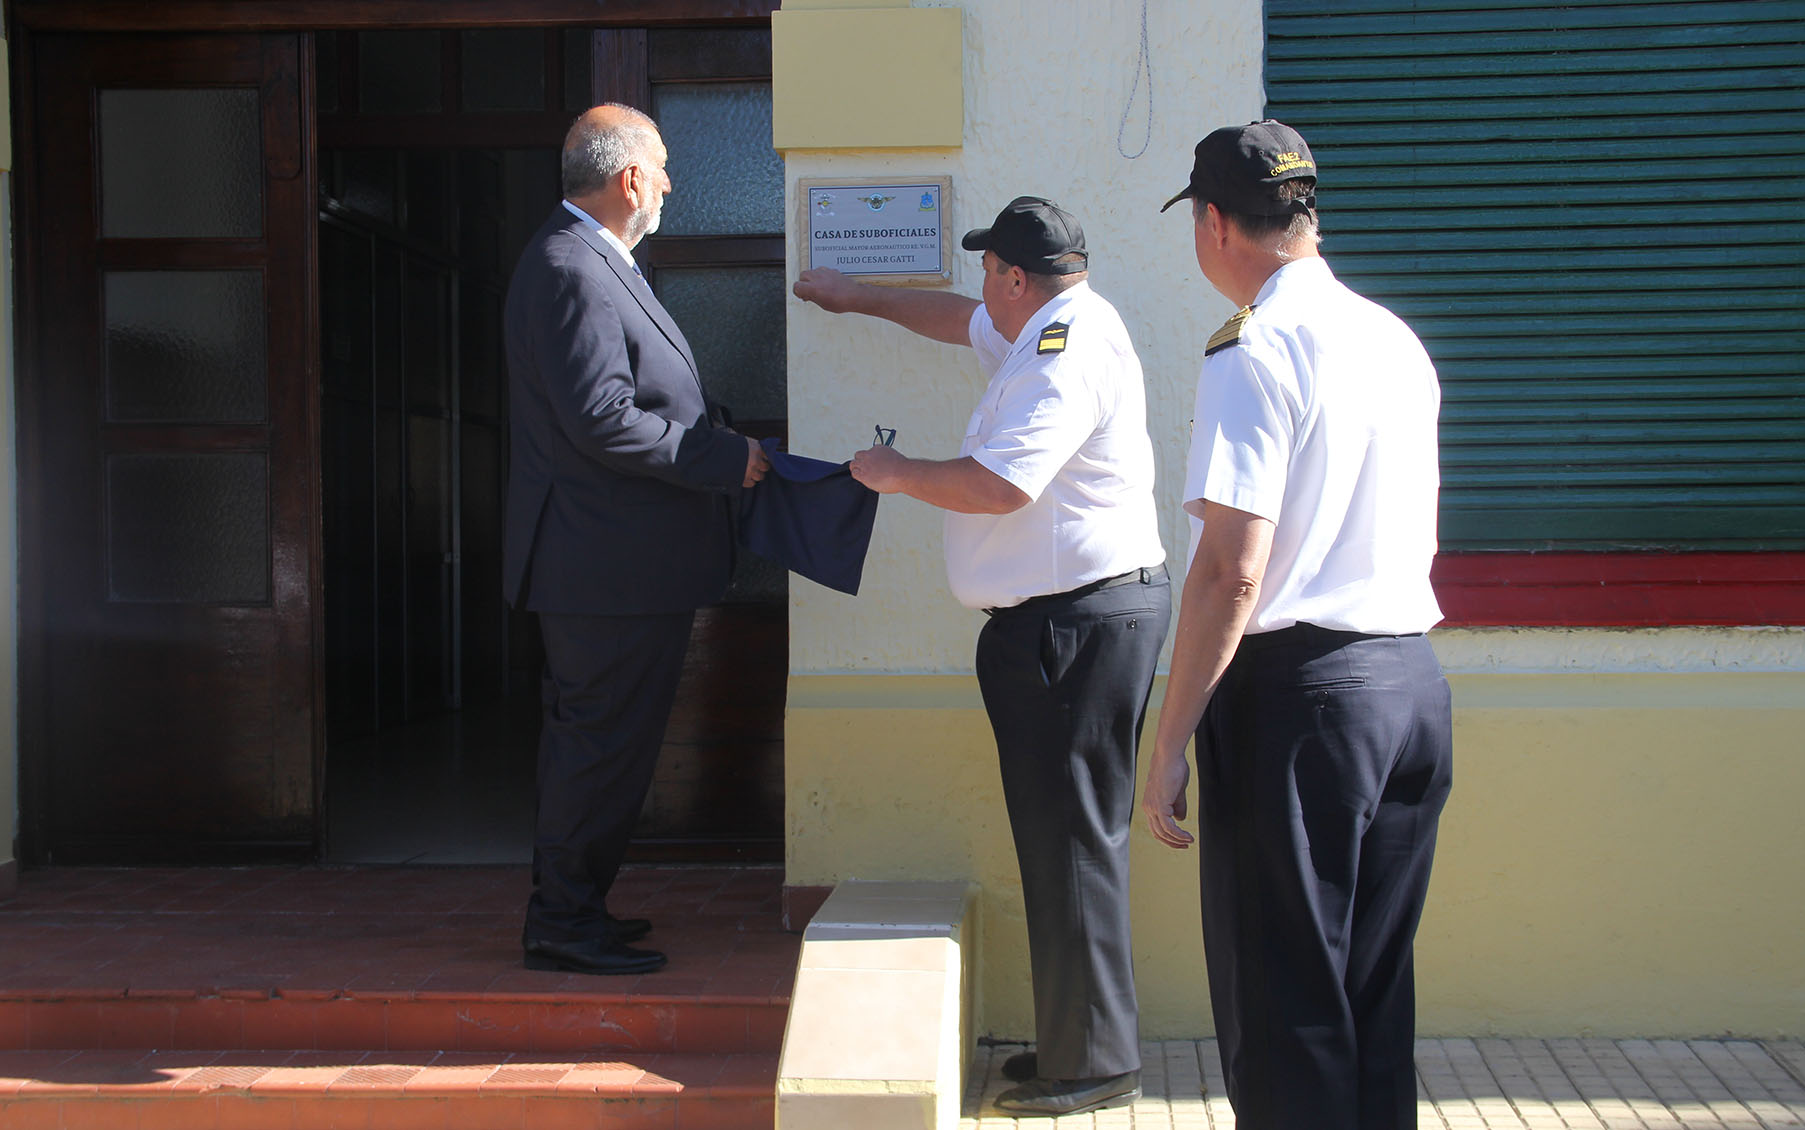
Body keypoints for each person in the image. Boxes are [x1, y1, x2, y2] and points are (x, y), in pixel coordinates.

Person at [793, 197, 1168, 1118]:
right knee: (1060, 841)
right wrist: (854, 297)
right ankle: (1078, 1048)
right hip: (1060, 626)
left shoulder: (1061, 355)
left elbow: (1002, 485)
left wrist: (896, 472)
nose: (980, 298)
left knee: (1071, 843)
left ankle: (1093, 1068)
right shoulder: (1049, 319)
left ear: (1014, 275)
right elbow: (949, 314)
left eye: (988, 273)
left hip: (1072, 629)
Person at [1142, 121, 1454, 1130]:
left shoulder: (1256, 346)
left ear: (1217, 221)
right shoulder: (1391, 336)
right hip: (1407, 682)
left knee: (1285, 1006)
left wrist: (1170, 734)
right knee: (1370, 990)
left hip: (1302, 698)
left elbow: (1233, 570)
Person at [502, 104, 770, 976]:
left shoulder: (597, 260)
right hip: (600, 567)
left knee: (610, 748)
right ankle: (562, 921)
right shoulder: (571, 266)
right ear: (626, 181)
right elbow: (604, 421)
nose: (668, 184)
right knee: (597, 745)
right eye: (660, 168)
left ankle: (580, 906)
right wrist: (721, 460)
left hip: (618, 565)